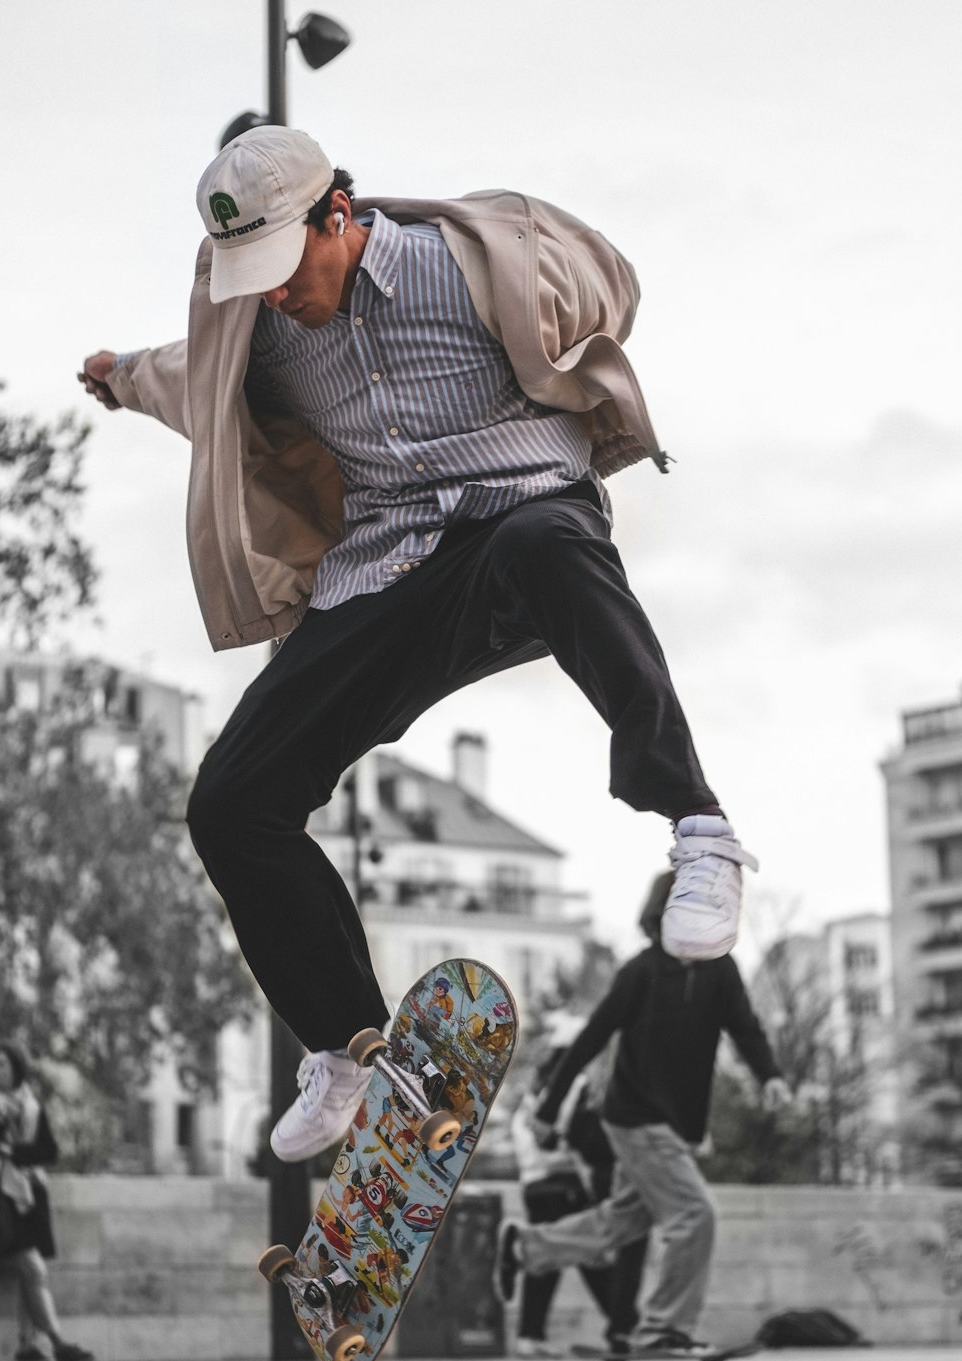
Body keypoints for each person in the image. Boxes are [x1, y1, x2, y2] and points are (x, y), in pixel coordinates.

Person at [78, 125, 758, 1165]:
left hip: (521, 521)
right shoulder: (255, 329)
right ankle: (345, 1041)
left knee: (546, 538)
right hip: (385, 571)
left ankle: (699, 829)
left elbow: (605, 279)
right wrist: (122, 375)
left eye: (285, 269)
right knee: (231, 801)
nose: (273, 298)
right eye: (247, 281)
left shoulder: (462, 264)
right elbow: (188, 378)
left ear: (338, 219)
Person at [493, 873, 791, 1353]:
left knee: (624, 1220)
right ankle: (663, 1327)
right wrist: (549, 1108)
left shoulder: (722, 969)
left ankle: (525, 1248)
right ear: (664, 916)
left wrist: (770, 1074)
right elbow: (592, 1037)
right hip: (634, 1117)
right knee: (695, 1214)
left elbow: (745, 1027)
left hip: (678, 1127)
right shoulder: (642, 971)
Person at [510, 1015, 648, 1357]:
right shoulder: (575, 1085)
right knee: (591, 1252)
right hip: (564, 1182)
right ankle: (626, 1327)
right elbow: (583, 1137)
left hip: (532, 1183)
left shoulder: (533, 1091)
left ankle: (531, 1335)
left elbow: (525, 1135)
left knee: (551, 1259)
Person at [0, 1042, 95, 1361]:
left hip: (30, 1198)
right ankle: (58, 1341)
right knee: (33, 1268)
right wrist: (5, 1122)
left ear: (16, 1070)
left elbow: (49, 1151)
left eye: (3, 1065)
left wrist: (15, 1151)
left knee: (28, 1272)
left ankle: (28, 1346)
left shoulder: (32, 1107)